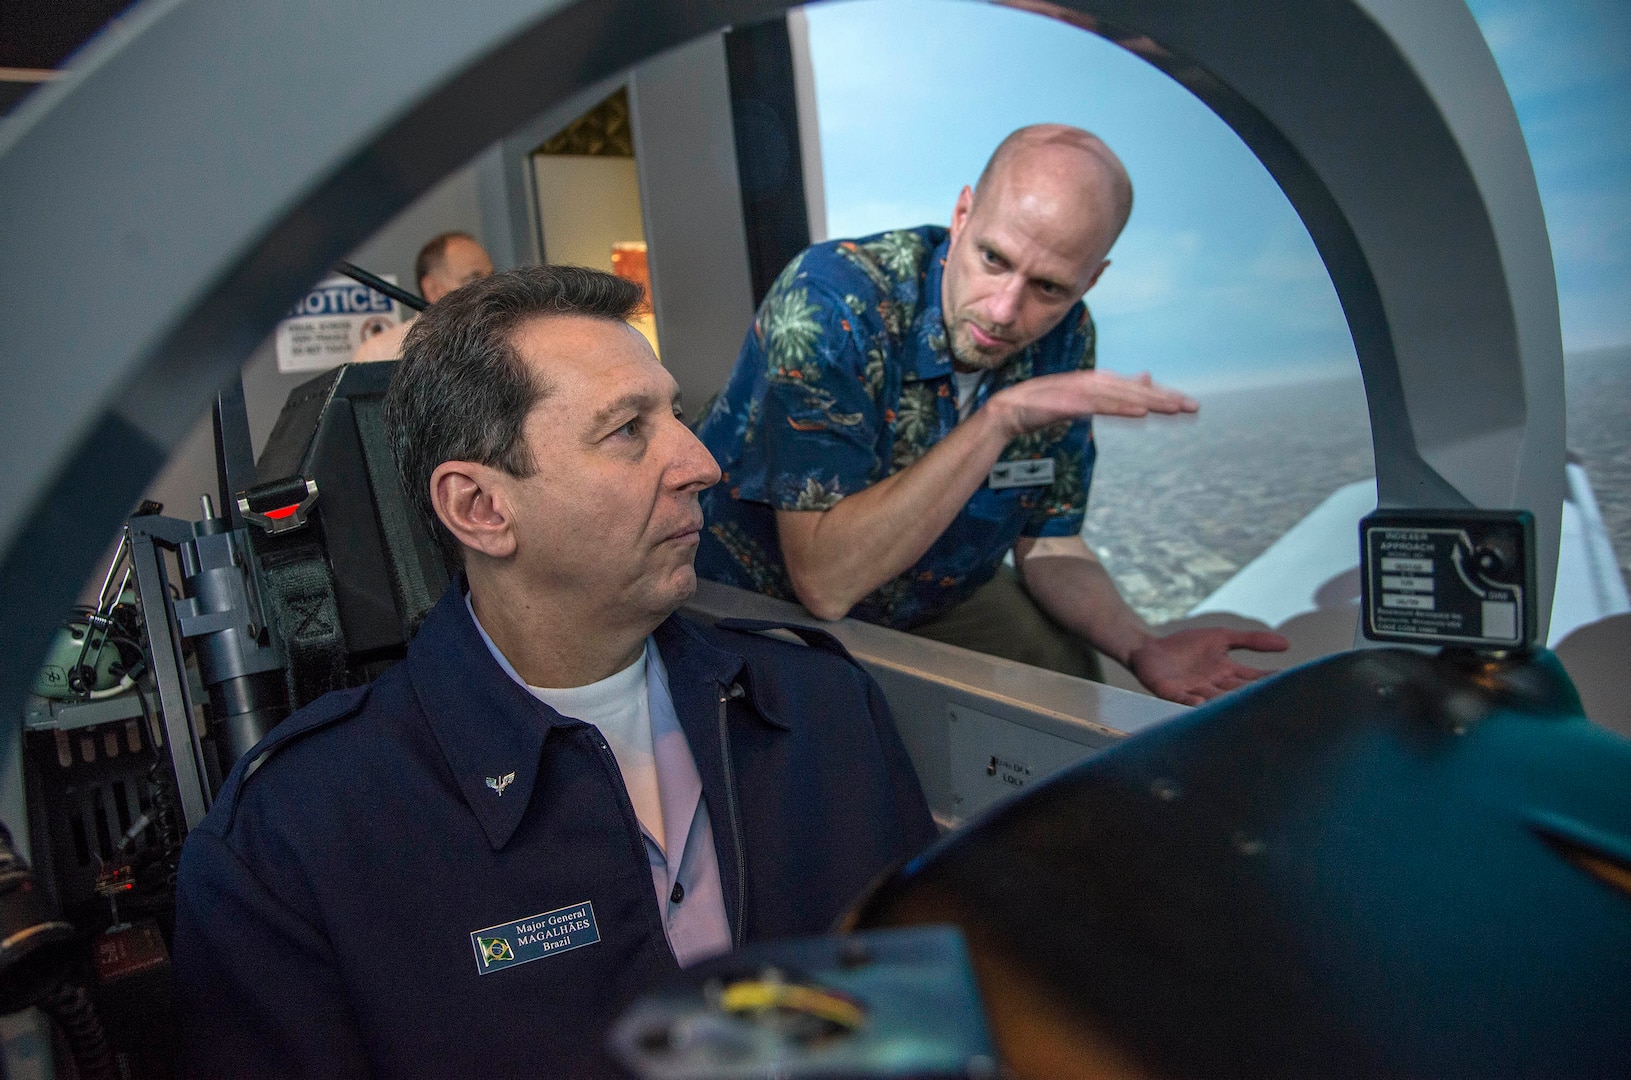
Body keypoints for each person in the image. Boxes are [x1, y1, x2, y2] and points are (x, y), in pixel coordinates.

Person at [172, 266, 936, 1077]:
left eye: (675, 415)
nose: (701, 464)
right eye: (627, 431)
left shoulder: (824, 713)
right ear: (479, 509)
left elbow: (928, 1029)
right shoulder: (294, 843)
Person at [696, 125, 1287, 707]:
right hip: (755, 605)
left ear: (1093, 279)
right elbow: (826, 583)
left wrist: (1141, 645)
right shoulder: (831, 303)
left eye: (1051, 288)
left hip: (932, 595)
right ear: (961, 215)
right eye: (993, 258)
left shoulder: (1067, 337)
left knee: (1066, 680)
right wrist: (1000, 417)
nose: (1005, 310)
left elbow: (1050, 546)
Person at [350, 231, 495, 362]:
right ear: (433, 289)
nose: (491, 287)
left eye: (492, 277)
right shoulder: (380, 353)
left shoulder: (503, 341)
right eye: (474, 279)